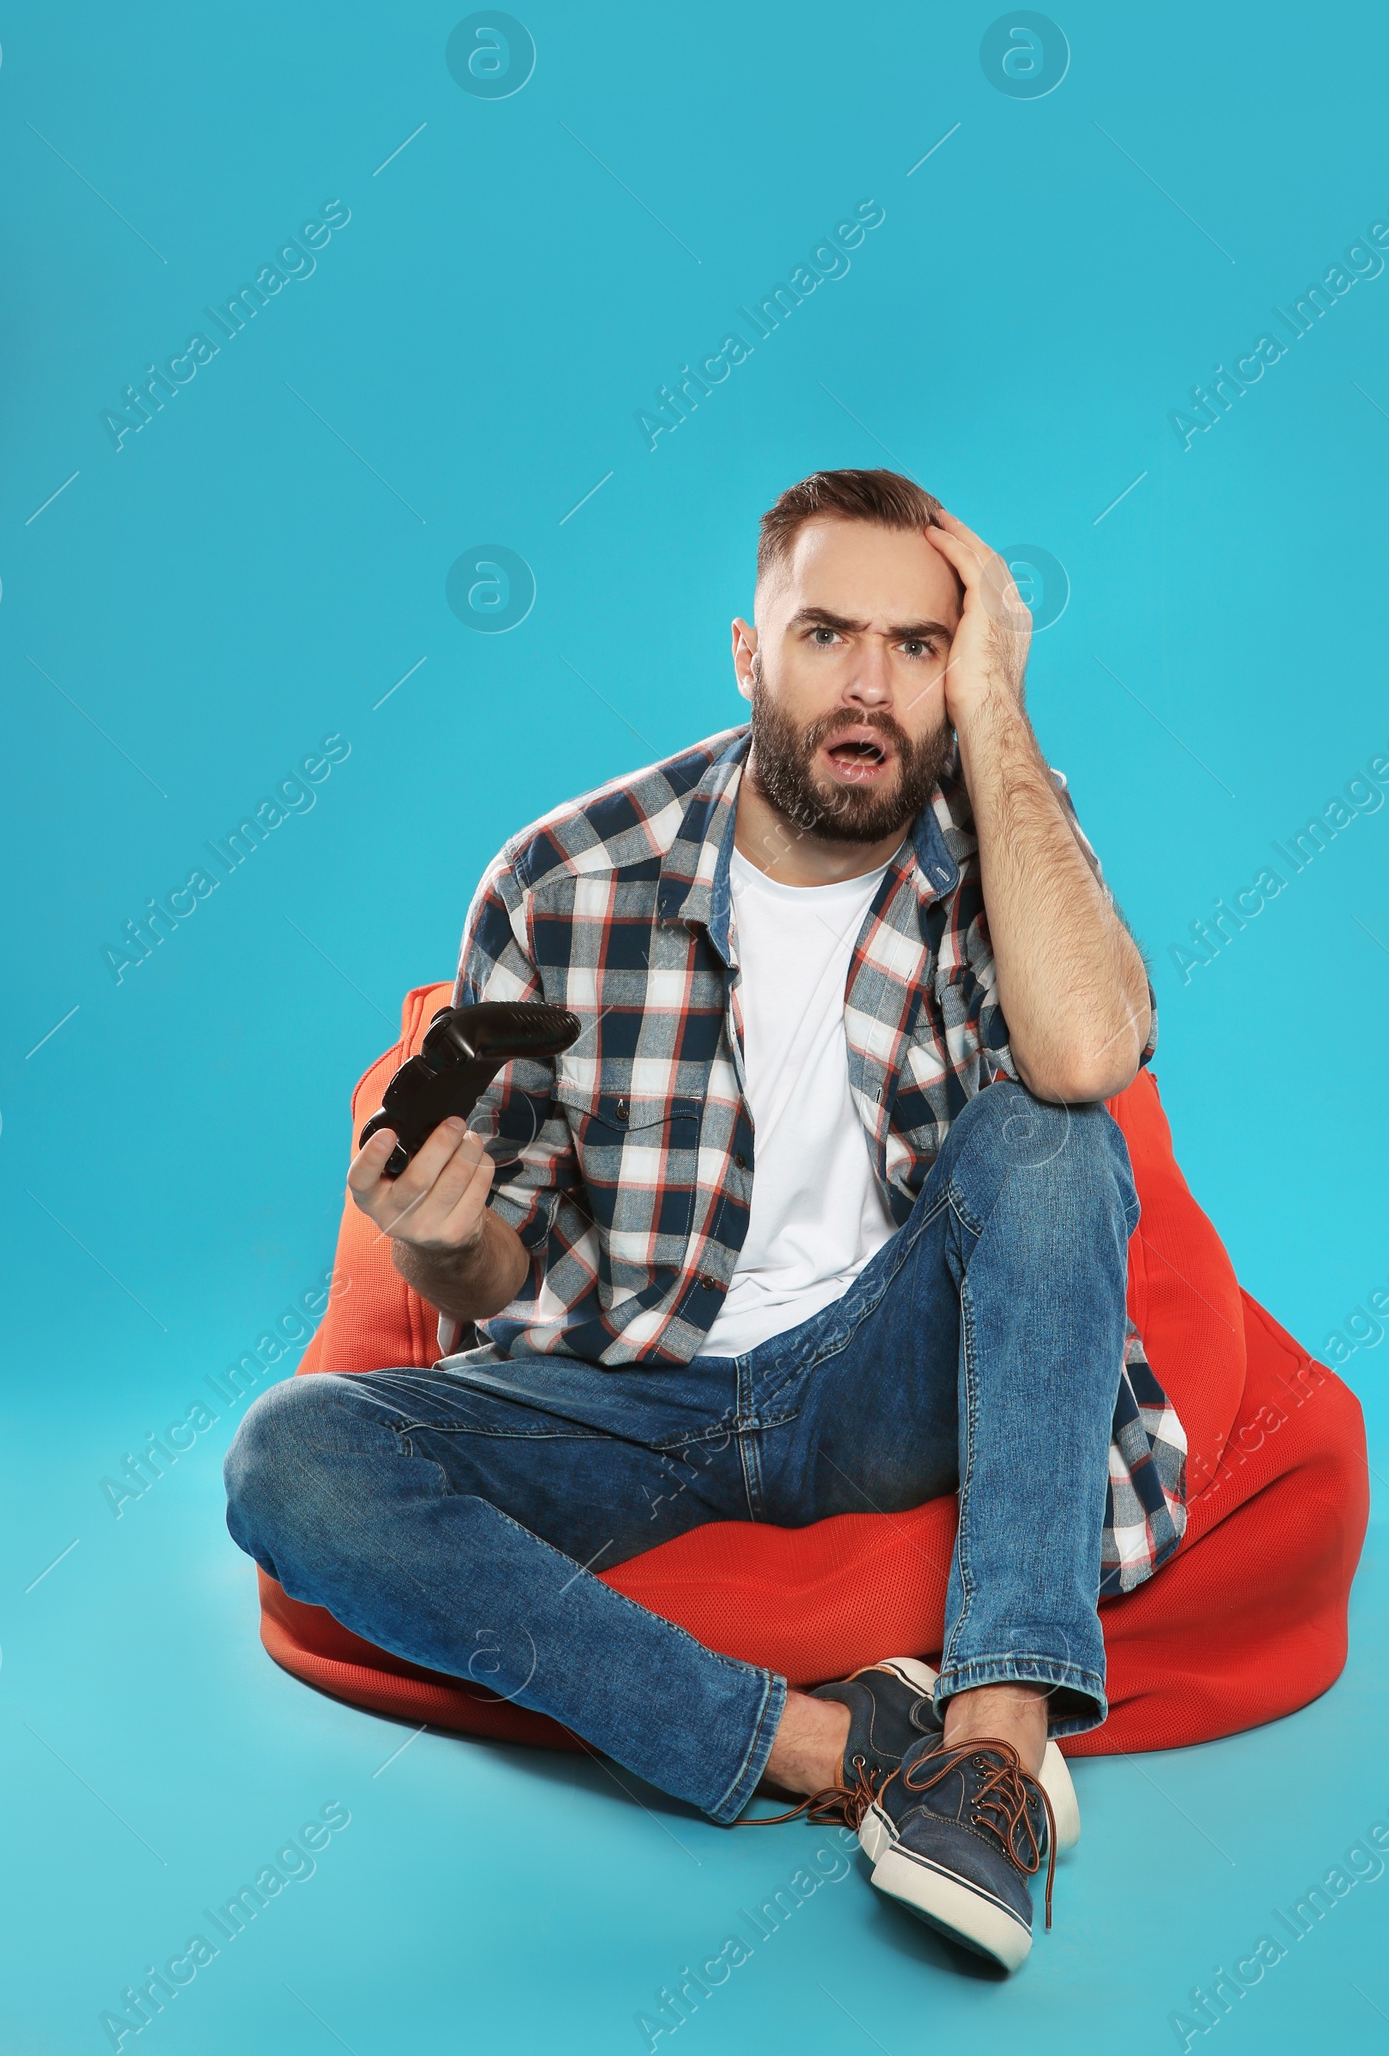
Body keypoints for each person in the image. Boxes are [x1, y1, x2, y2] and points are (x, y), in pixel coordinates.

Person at [225, 468, 1186, 1972]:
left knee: (1051, 1139)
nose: (867, 687)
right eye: (824, 637)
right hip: (631, 1391)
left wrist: (1000, 715)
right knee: (289, 1458)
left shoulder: (996, 840)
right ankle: (842, 1749)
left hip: (886, 1384)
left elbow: (1082, 1063)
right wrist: (434, 1236)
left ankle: (993, 1751)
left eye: (919, 648)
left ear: (963, 670)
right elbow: (500, 1271)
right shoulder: (563, 882)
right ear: (749, 655)